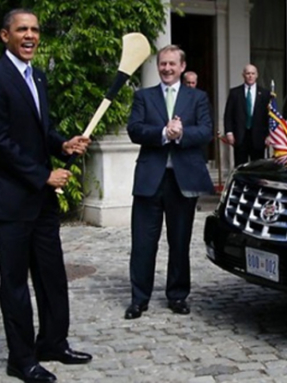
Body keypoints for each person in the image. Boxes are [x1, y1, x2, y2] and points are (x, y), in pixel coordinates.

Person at [0, 8, 92, 383]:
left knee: (52, 275)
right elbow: (1, 141)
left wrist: (63, 144)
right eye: (22, 29)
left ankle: (52, 342)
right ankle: (20, 359)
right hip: (10, 202)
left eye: (35, 29)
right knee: (15, 284)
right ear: (4, 35)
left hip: (41, 202)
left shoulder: (37, 75)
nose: (30, 35)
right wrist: (43, 175)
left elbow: (42, 131)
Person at [125, 45, 213, 320]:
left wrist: (181, 133)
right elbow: (135, 129)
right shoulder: (144, 97)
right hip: (150, 179)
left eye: (172, 64)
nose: (166, 69)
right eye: (163, 64)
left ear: (182, 66)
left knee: (179, 241)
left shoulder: (197, 97)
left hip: (182, 180)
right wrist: (164, 132)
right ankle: (139, 299)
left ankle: (177, 295)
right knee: (142, 243)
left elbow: (206, 131)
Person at [223, 64, 271, 166]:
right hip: (240, 136)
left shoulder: (265, 94)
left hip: (258, 137)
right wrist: (229, 132)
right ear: (243, 75)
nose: (250, 76)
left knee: (258, 167)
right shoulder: (234, 93)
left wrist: (269, 135)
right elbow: (228, 114)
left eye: (253, 73)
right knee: (240, 166)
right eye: (248, 73)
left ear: (257, 75)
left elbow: (269, 116)